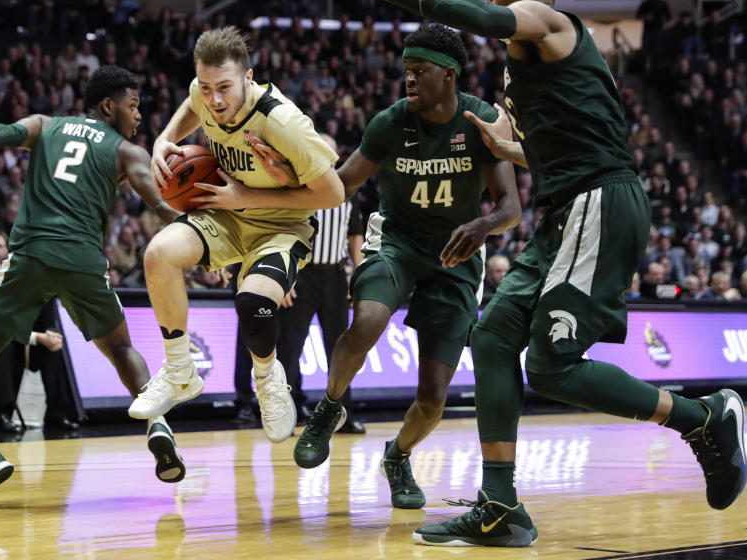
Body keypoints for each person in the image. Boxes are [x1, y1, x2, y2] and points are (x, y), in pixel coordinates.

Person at [318, 0, 747, 547]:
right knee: (492, 340)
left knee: (551, 366)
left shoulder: (551, 22)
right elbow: (566, 145)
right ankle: (500, 506)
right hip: (565, 206)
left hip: (599, 201)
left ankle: (702, 419)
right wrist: (513, 147)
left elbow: (486, 19)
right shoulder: (531, 63)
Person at [271, 26, 519, 511]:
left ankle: (398, 457)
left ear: (448, 75)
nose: (409, 80)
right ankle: (330, 406)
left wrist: (484, 225)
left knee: (432, 399)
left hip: (457, 256)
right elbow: (340, 187)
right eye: (405, 71)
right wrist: (288, 178)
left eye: (419, 72)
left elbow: (511, 207)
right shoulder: (390, 122)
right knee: (366, 320)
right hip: (397, 242)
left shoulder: (481, 119)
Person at [0, 65, 183, 507]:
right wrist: (212, 237)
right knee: (121, 349)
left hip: (31, 256)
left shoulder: (47, 125)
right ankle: (159, 424)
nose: (139, 115)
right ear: (108, 106)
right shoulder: (127, 151)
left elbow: (7, 131)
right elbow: (164, 207)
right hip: (83, 262)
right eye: (133, 106)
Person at [128, 26, 344, 444]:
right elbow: (192, 105)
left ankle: (267, 379)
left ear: (248, 79)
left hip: (281, 225)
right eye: (207, 87)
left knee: (254, 303)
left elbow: (332, 195)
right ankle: (179, 371)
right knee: (159, 254)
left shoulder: (283, 121)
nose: (215, 99)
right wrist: (164, 140)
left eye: (224, 87)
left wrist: (246, 193)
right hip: (227, 212)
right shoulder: (204, 90)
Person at [276, 134, 366, 434]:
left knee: (341, 350)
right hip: (301, 276)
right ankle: (287, 416)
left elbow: (356, 239)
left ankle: (341, 415)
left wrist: (359, 276)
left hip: (336, 278)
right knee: (289, 349)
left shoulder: (347, 193)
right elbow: (283, 235)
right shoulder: (296, 188)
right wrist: (283, 278)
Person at [0, 228, 78, 432]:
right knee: (2, 344)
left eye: (0, 246)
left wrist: (49, 331)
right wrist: (36, 337)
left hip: (26, 341)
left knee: (55, 347)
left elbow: (46, 308)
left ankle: (56, 412)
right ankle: (3, 413)